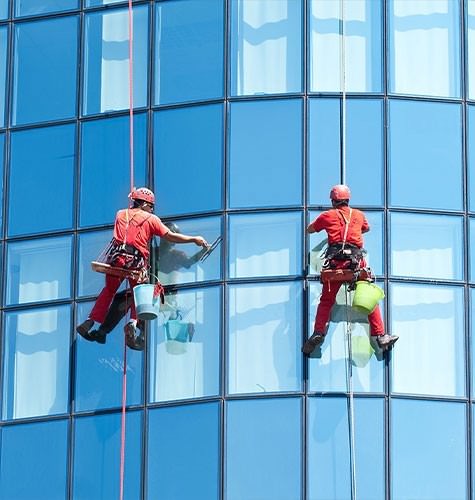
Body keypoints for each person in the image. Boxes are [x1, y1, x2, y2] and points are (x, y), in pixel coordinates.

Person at [76, 187, 209, 349]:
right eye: (151, 206)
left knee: (108, 291)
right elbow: (169, 235)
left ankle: (90, 321)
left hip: (116, 259)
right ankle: (133, 323)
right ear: (145, 204)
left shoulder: (120, 214)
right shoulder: (151, 219)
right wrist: (194, 239)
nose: (152, 209)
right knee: (140, 294)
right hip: (136, 263)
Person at [302, 184, 398, 356]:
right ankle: (381, 336)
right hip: (356, 263)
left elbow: (310, 229)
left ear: (333, 201)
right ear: (348, 199)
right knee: (370, 298)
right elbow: (366, 228)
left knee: (326, 301)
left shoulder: (328, 215)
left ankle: (318, 332)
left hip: (336, 264)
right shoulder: (358, 215)